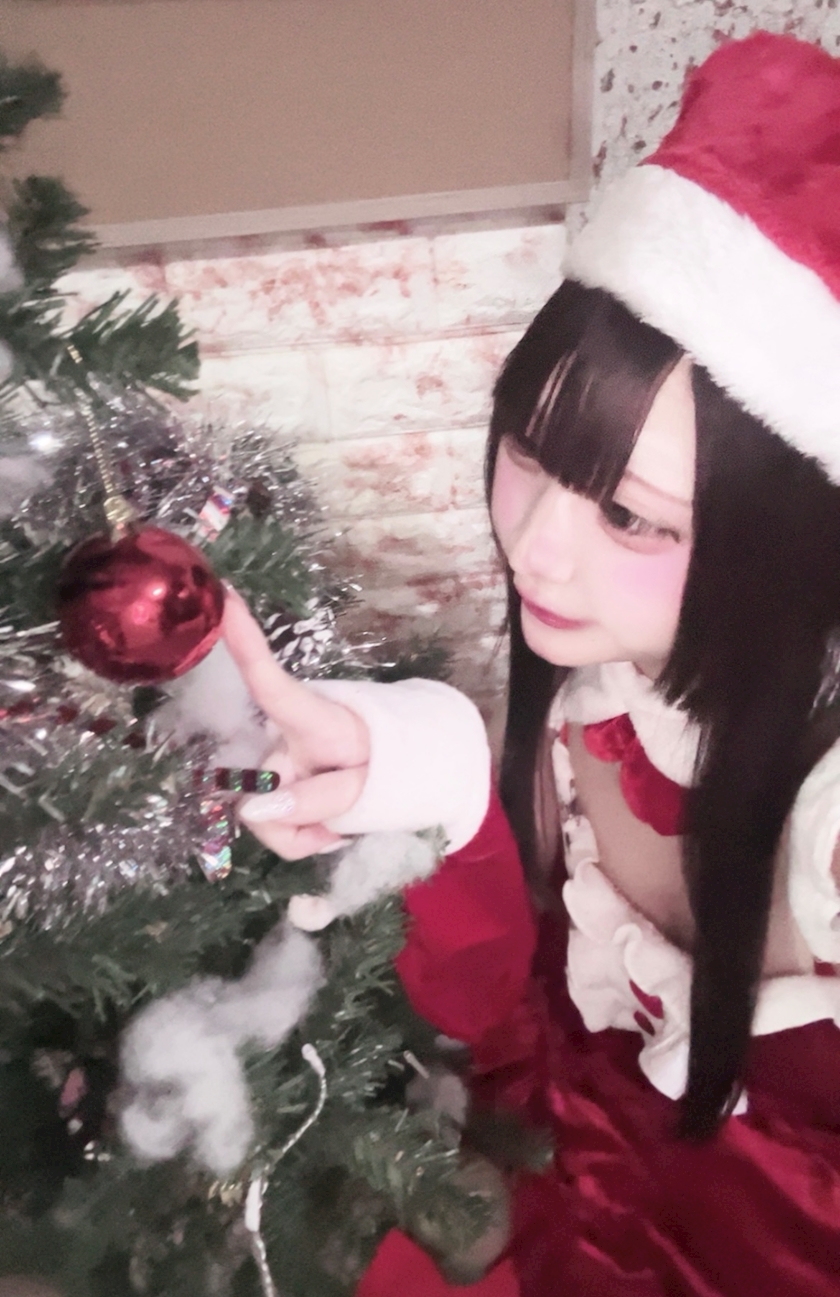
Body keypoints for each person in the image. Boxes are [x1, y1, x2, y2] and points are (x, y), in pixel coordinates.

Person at [222, 32, 840, 1297]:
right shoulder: (595, 694)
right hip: (580, 1190)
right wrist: (440, 777)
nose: (535, 547)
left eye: (632, 517)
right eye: (528, 452)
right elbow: (506, 1018)